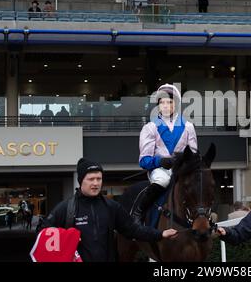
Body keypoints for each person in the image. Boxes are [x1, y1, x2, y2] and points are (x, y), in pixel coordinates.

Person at [39, 158, 178, 262]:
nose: (95, 183)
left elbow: (133, 230)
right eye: (91, 179)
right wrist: (66, 237)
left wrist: (160, 234)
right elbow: (43, 232)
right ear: (81, 181)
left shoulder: (111, 207)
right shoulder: (66, 208)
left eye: (99, 179)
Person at [134, 83, 197, 224]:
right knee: (163, 181)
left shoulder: (188, 126)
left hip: (182, 170)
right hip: (161, 170)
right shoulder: (150, 128)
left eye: (169, 102)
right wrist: (160, 161)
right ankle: (139, 213)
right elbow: (144, 160)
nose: (165, 106)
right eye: (162, 102)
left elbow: (193, 155)